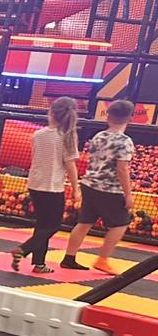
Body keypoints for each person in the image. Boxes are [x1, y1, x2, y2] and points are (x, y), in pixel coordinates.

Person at [61, 98, 136, 274]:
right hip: (109, 188)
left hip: (89, 184)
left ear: (108, 116)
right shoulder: (125, 141)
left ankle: (69, 257)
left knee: (84, 222)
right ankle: (102, 260)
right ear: (130, 118)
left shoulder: (98, 136)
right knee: (120, 224)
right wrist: (128, 194)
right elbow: (122, 168)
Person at [12, 97, 80, 275]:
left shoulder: (38, 134)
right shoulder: (67, 136)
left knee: (42, 224)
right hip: (52, 186)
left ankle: (39, 263)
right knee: (53, 225)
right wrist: (76, 188)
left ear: (51, 112)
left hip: (35, 183)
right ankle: (23, 249)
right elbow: (70, 165)